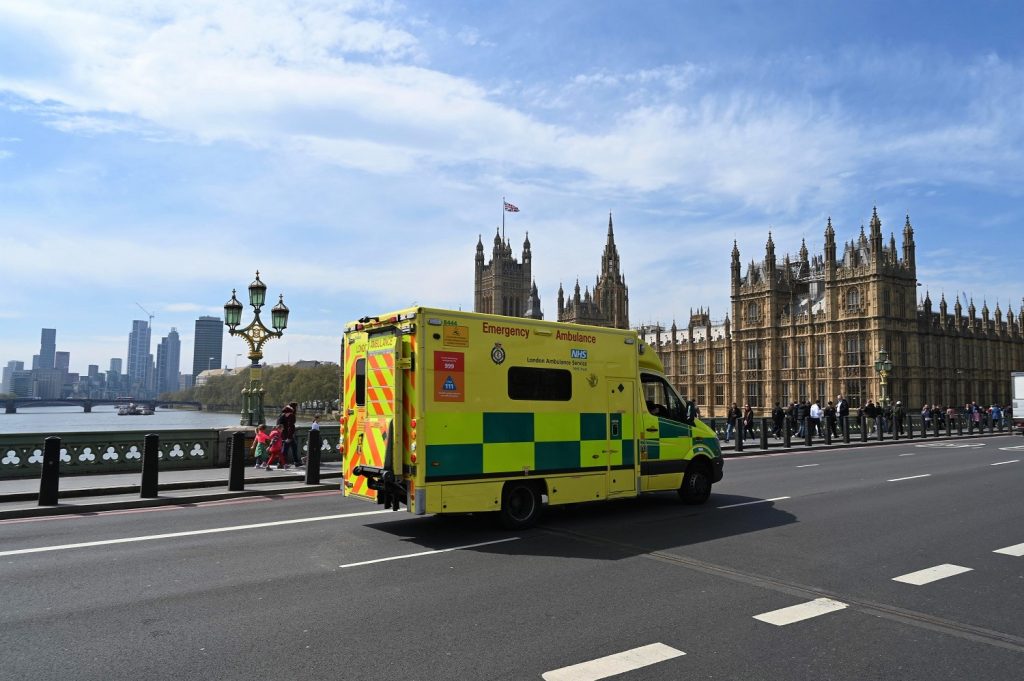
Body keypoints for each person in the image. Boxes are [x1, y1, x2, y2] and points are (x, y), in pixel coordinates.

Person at [278, 402, 301, 468]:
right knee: (285, 450)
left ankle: (296, 462)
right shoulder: (291, 415)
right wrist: (289, 437)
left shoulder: (282, 415)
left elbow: (279, 424)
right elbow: (290, 426)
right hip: (288, 435)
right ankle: (280, 463)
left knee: (294, 447)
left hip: (284, 434)